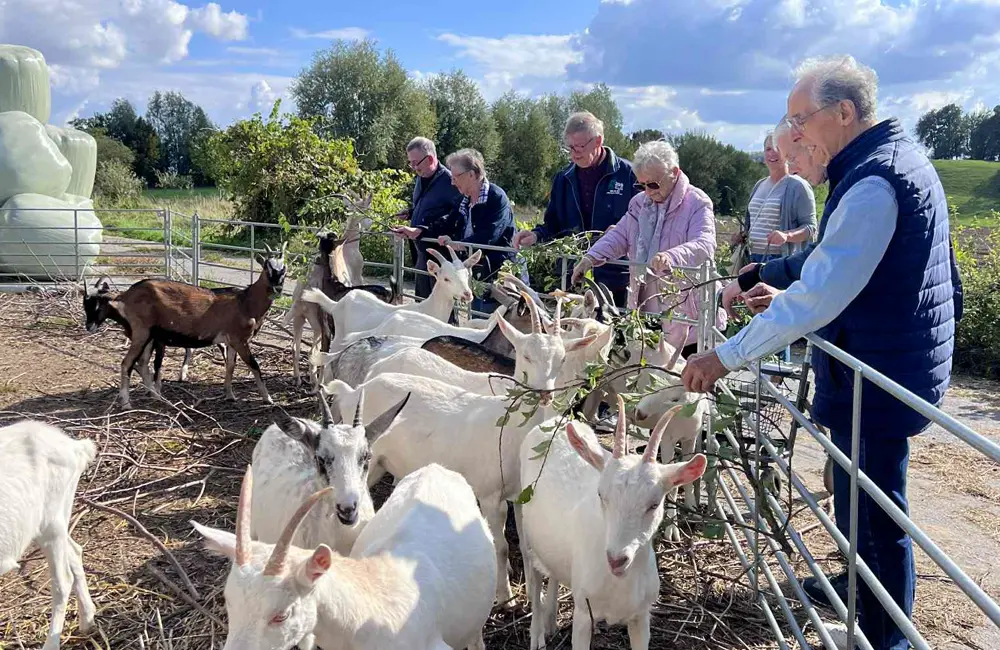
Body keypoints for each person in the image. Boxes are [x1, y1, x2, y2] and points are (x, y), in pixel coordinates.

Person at [682, 55, 964, 650]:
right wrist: (784, 286)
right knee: (860, 498)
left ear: (844, 112)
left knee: (875, 511)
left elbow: (819, 296)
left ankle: (887, 637)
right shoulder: (891, 163)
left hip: (878, 371)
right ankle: (861, 597)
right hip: (891, 356)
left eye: (800, 119)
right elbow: (851, 272)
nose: (796, 134)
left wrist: (724, 356)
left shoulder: (874, 183)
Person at [569, 139, 726, 358]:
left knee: (687, 376)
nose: (647, 191)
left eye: (653, 184)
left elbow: (705, 245)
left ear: (674, 173)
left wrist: (671, 257)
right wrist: (590, 258)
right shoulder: (639, 203)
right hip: (646, 314)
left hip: (688, 320)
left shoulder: (697, 202)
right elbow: (620, 235)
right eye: (641, 185)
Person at [512, 111, 638, 308]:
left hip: (615, 277)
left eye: (579, 147)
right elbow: (553, 225)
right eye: (570, 147)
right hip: (571, 276)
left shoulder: (629, 175)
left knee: (613, 327)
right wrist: (536, 235)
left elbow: (644, 223)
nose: (574, 153)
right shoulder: (563, 179)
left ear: (598, 141)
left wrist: (623, 233)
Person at [436, 148, 517, 314]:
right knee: (476, 316)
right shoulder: (464, 199)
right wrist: (420, 230)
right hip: (476, 271)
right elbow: (448, 222)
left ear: (471, 175)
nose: (452, 182)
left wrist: (459, 244)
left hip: (497, 271)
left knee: (493, 317)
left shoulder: (496, 198)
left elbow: (490, 235)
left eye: (455, 177)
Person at [390, 137, 464, 299]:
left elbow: (455, 216)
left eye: (415, 163)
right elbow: (429, 207)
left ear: (430, 159)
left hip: (440, 254)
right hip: (422, 252)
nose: (413, 168)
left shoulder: (450, 182)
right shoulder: (420, 177)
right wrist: (411, 213)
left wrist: (421, 230)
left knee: (442, 302)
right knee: (422, 300)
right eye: (411, 163)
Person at [731, 132, 817, 264]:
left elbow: (811, 228)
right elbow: (753, 224)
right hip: (750, 257)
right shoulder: (759, 185)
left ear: (787, 153)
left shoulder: (798, 186)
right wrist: (742, 236)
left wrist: (786, 236)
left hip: (779, 259)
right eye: (768, 149)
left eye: (778, 148)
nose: (772, 153)